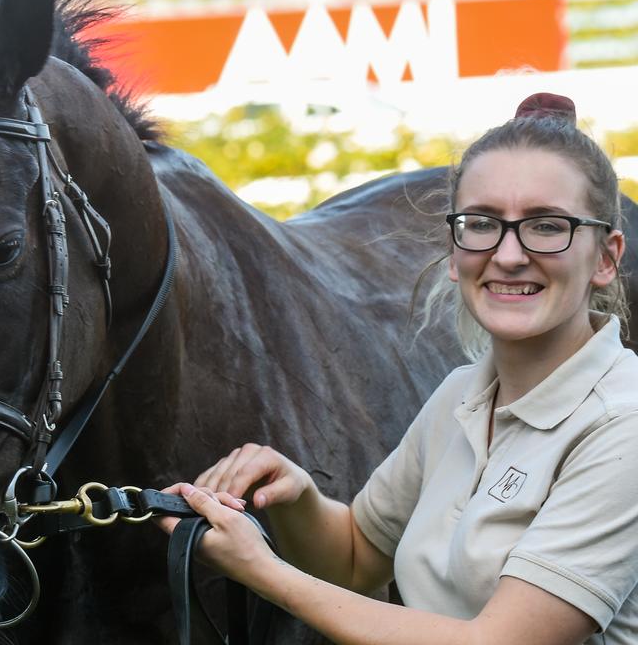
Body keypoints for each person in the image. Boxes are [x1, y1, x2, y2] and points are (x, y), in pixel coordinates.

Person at [161, 93, 637, 644]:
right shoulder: (462, 393)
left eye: (547, 226)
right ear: (456, 250)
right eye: (482, 223)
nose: (508, 255)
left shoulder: (620, 425)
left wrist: (263, 571)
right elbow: (358, 557)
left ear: (606, 257)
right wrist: (295, 495)